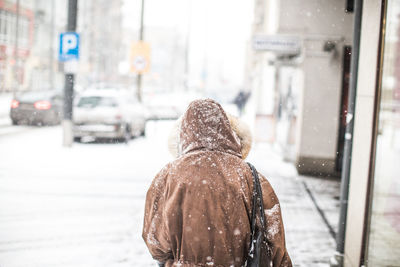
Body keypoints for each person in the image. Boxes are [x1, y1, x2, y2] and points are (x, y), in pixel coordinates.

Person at [142, 99, 292, 267]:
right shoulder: (250, 176)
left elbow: (155, 242)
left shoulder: (168, 176)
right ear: (227, 130)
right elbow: (275, 240)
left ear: (184, 132)